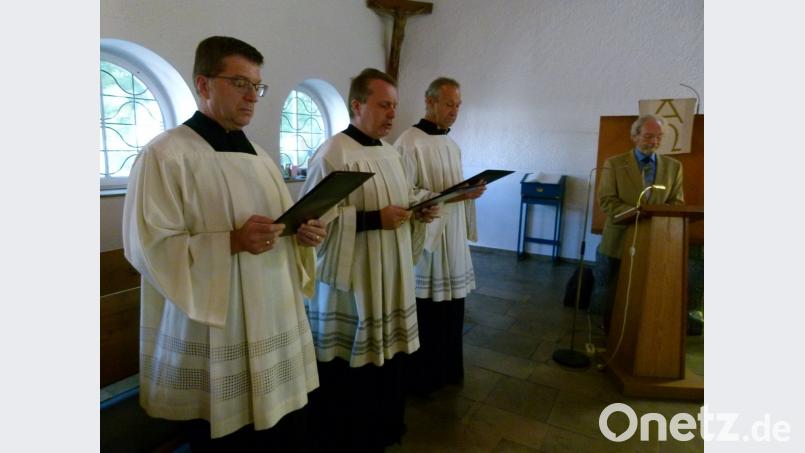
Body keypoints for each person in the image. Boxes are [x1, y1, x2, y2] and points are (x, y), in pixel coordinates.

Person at [122, 36, 327, 451]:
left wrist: (301, 235)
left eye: (257, 86)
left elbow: (279, 227)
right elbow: (148, 245)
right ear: (204, 84)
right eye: (240, 83)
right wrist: (231, 242)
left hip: (273, 311)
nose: (252, 96)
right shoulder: (166, 155)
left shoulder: (261, 157)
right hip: (217, 322)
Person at [301, 68, 436, 452]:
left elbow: (402, 196)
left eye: (394, 106)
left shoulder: (390, 152)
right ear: (357, 105)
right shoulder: (334, 154)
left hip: (390, 273)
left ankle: (385, 426)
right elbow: (311, 225)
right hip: (354, 280)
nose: (392, 113)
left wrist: (419, 208)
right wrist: (374, 220)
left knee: (388, 359)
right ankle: (350, 437)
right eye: (383, 105)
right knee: (351, 368)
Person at [393, 77, 485, 395]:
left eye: (458, 105)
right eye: (448, 104)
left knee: (452, 309)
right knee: (428, 311)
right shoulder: (408, 142)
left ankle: (448, 370)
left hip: (452, 237)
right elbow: (404, 193)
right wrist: (457, 195)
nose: (454, 111)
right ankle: (423, 379)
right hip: (428, 239)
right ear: (429, 101)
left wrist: (468, 192)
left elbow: (451, 189)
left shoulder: (451, 145)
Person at [594, 114, 684, 332]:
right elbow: (606, 200)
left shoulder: (674, 167)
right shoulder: (614, 164)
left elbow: (677, 201)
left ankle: (637, 333)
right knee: (611, 292)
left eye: (659, 137)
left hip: (655, 241)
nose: (654, 142)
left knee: (645, 293)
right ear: (635, 136)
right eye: (648, 136)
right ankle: (607, 333)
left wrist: (655, 214)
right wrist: (637, 213)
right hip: (619, 240)